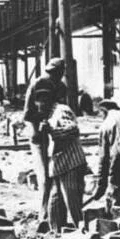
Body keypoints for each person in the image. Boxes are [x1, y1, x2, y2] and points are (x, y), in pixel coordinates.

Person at [23, 58, 68, 230]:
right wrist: (40, 124)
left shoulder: (61, 87)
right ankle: (44, 216)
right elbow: (28, 114)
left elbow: (63, 110)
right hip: (40, 135)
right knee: (45, 178)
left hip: (56, 134)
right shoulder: (39, 83)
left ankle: (57, 215)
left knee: (58, 174)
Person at [34, 88, 87, 231]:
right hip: (58, 165)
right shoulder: (51, 115)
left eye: (39, 104)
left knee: (72, 201)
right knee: (55, 202)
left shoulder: (61, 111)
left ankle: (83, 232)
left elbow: (73, 130)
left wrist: (51, 131)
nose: (38, 108)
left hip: (70, 162)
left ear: (46, 101)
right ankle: (56, 231)